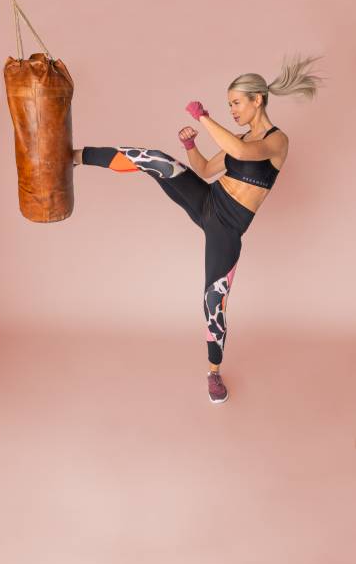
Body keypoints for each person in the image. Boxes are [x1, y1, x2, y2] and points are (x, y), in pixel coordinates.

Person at [72, 53, 326, 404]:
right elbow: (205, 170)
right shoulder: (238, 138)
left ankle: (214, 373)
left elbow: (241, 151)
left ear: (257, 100)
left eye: (236, 103)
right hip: (207, 201)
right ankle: (75, 156)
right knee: (156, 159)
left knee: (214, 300)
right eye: (229, 104)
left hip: (227, 228)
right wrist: (190, 146)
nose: (232, 110)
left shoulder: (276, 141)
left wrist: (204, 117)